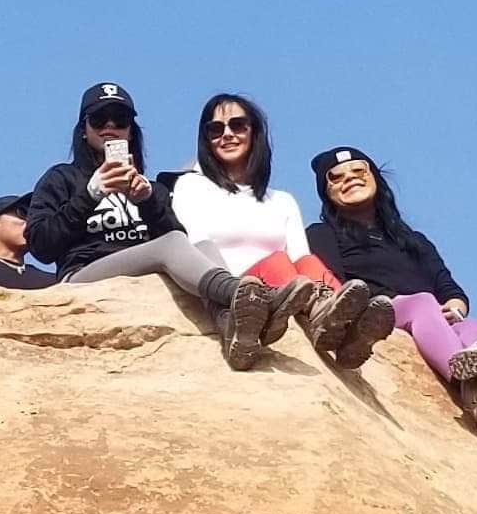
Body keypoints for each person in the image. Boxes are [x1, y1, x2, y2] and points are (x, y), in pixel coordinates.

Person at [23, 81, 292, 369]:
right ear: (84, 130)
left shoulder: (151, 189)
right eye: (99, 119)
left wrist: (148, 201)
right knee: (172, 245)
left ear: (131, 131)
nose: (110, 127)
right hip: (84, 273)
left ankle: (234, 329)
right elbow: (41, 244)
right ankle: (243, 293)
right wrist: (89, 195)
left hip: (142, 271)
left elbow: (180, 242)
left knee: (204, 246)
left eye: (121, 120)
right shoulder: (62, 178)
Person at [307, 145, 477, 436]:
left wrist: (453, 309)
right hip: (377, 313)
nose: (350, 178)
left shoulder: (413, 240)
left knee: (475, 327)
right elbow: (338, 286)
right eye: (336, 177)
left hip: (431, 319)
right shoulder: (321, 234)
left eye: (358, 171)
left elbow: (450, 289)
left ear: (375, 178)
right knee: (422, 303)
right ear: (326, 193)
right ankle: (467, 382)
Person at [166, 92, 392, 366]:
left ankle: (341, 323)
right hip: (237, 288)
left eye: (237, 125)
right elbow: (196, 246)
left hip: (290, 290)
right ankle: (332, 321)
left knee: (305, 260)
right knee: (279, 262)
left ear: (254, 132)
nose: (227, 134)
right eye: (215, 129)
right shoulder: (191, 186)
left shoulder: (282, 200)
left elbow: (302, 259)